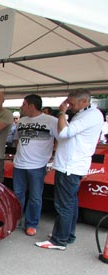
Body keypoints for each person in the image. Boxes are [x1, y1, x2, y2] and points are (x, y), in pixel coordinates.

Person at [36, 89, 103, 251]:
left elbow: (64, 133)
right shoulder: (86, 114)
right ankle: (67, 235)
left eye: (72, 104)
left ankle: (59, 240)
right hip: (71, 165)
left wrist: (61, 113)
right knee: (70, 203)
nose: (69, 106)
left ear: (84, 102)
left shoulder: (90, 115)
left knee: (63, 204)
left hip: (70, 166)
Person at [12, 94, 58, 237]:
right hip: (19, 164)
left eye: (24, 104)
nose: (21, 107)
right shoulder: (21, 121)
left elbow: (61, 138)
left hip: (38, 165)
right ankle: (16, 220)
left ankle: (31, 224)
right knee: (17, 194)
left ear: (31, 106)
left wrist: (52, 155)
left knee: (35, 196)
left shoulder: (51, 120)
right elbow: (16, 140)